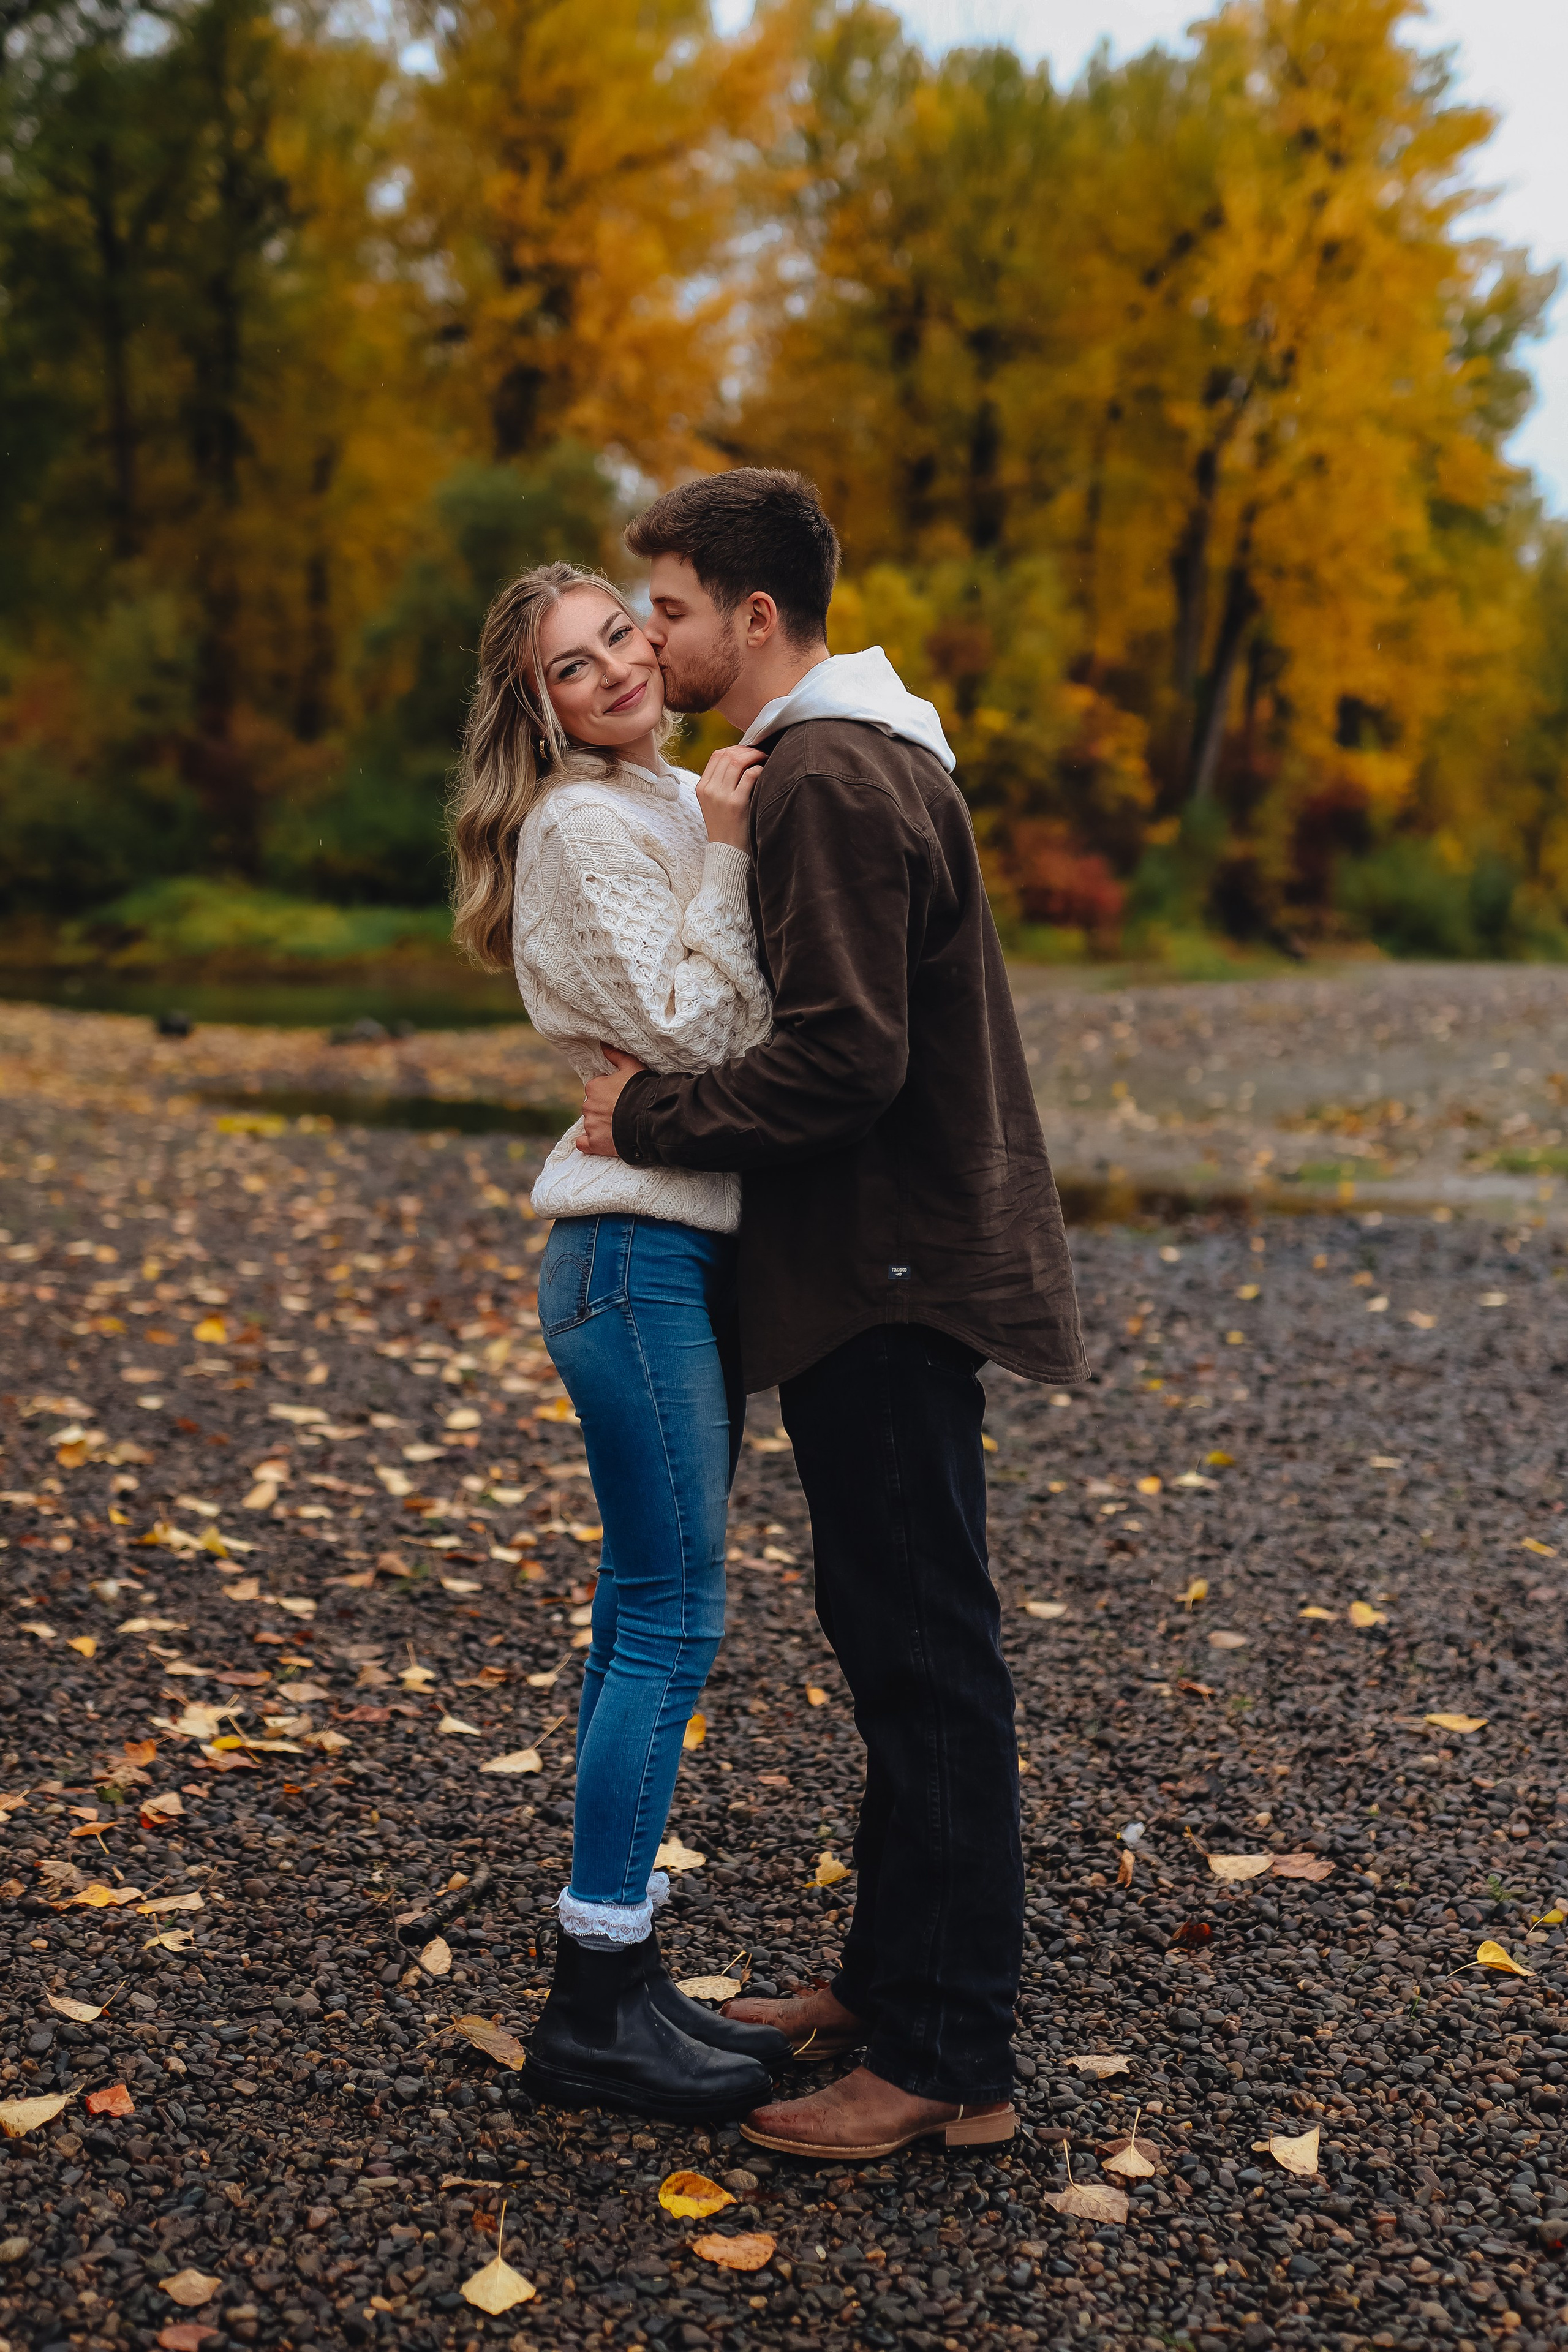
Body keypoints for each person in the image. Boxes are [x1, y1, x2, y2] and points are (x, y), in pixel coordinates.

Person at [578, 468, 1089, 2162]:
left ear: (754, 616)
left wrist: (646, 1114)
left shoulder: (826, 776)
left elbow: (845, 1059)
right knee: (896, 1637)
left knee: (925, 1654)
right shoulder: (864, 757)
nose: (650, 642)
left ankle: (948, 2058)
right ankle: (888, 1983)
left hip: (886, 1271)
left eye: (666, 610)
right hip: (888, 1264)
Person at [448, 559, 791, 2119]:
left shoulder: (658, 792)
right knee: (669, 1619)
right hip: (629, 1258)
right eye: (572, 670)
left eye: (618, 636)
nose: (616, 671)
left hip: (669, 1256)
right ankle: (594, 2000)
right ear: (537, 711)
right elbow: (706, 1031)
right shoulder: (584, 824)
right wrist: (727, 848)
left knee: (638, 1611)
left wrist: (710, 831)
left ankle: (622, 1975)